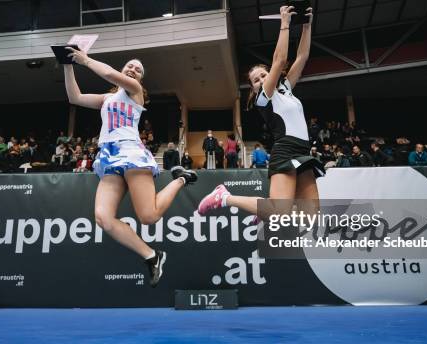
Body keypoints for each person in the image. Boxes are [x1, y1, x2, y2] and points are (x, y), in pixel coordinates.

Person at [64, 48, 197, 287]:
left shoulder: (135, 92)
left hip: (131, 153)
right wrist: (67, 65)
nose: (133, 69)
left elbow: (111, 75)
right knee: (103, 218)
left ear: (139, 79)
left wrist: (85, 60)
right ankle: (152, 256)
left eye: (138, 70)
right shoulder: (107, 99)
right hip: (109, 156)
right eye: (130, 66)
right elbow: (75, 97)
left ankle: (180, 179)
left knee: (149, 216)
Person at [198, 5, 323, 218]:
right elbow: (280, 60)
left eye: (264, 75)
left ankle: (263, 208)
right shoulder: (263, 98)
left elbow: (302, 56)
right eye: (256, 80)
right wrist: (284, 24)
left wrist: (306, 26)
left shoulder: (285, 89)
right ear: (254, 88)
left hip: (303, 151)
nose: (262, 79)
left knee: (312, 213)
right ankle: (224, 197)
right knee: (279, 211)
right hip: (285, 151)